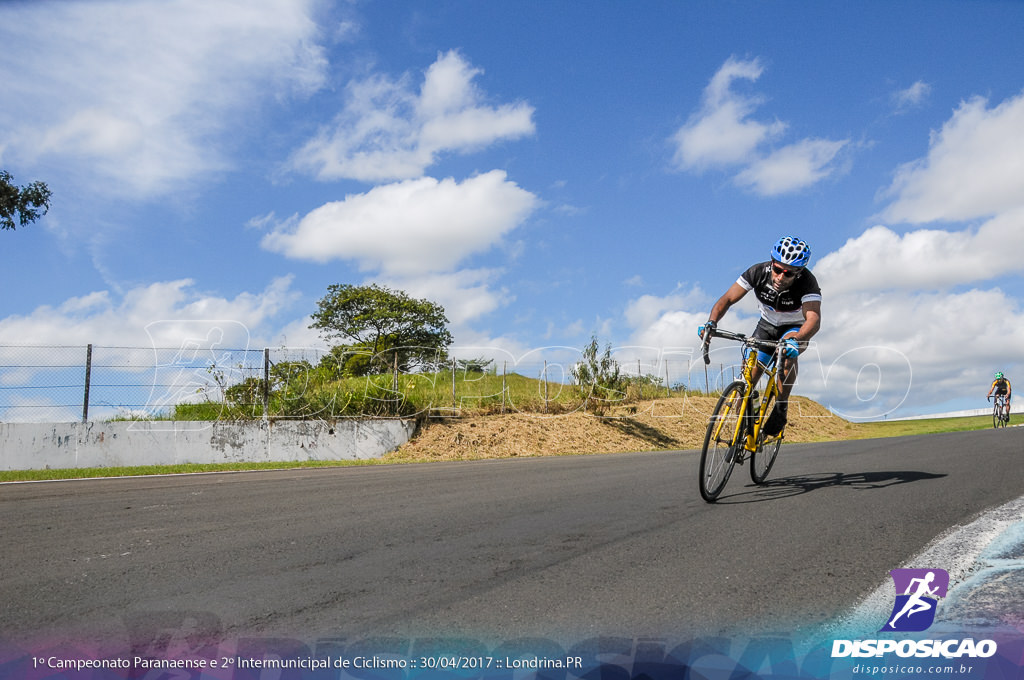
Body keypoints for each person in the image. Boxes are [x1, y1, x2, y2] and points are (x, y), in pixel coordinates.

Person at [698, 236, 822, 436]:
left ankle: (781, 406)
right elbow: (727, 299)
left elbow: (813, 320)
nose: (780, 277)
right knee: (748, 378)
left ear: (798, 273)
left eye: (788, 273)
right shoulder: (757, 272)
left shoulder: (808, 282)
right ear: (772, 263)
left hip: (794, 328)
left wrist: (797, 340)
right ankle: (745, 428)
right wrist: (711, 323)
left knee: (787, 355)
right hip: (766, 325)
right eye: (777, 269)